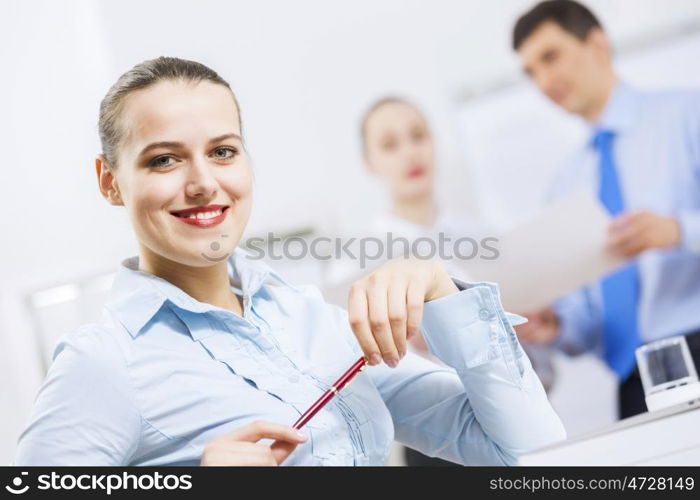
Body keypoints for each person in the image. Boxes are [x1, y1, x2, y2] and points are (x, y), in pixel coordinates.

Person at [13, 57, 565, 466]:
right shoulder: (104, 363)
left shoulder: (313, 321)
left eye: (223, 151)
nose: (204, 183)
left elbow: (525, 454)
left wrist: (444, 293)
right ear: (111, 182)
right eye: (164, 160)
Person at [511, 0, 700, 419]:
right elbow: (587, 322)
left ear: (597, 43)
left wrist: (678, 231)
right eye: (531, 72)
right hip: (635, 381)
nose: (543, 80)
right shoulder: (566, 186)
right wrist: (556, 327)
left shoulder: (688, 116)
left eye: (550, 56)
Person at [358, 97, 557, 465]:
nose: (409, 153)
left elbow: (535, 366)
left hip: (519, 421)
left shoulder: (486, 238)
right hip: (439, 447)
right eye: (389, 144)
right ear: (370, 163)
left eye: (418, 136)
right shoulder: (360, 263)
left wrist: (533, 329)